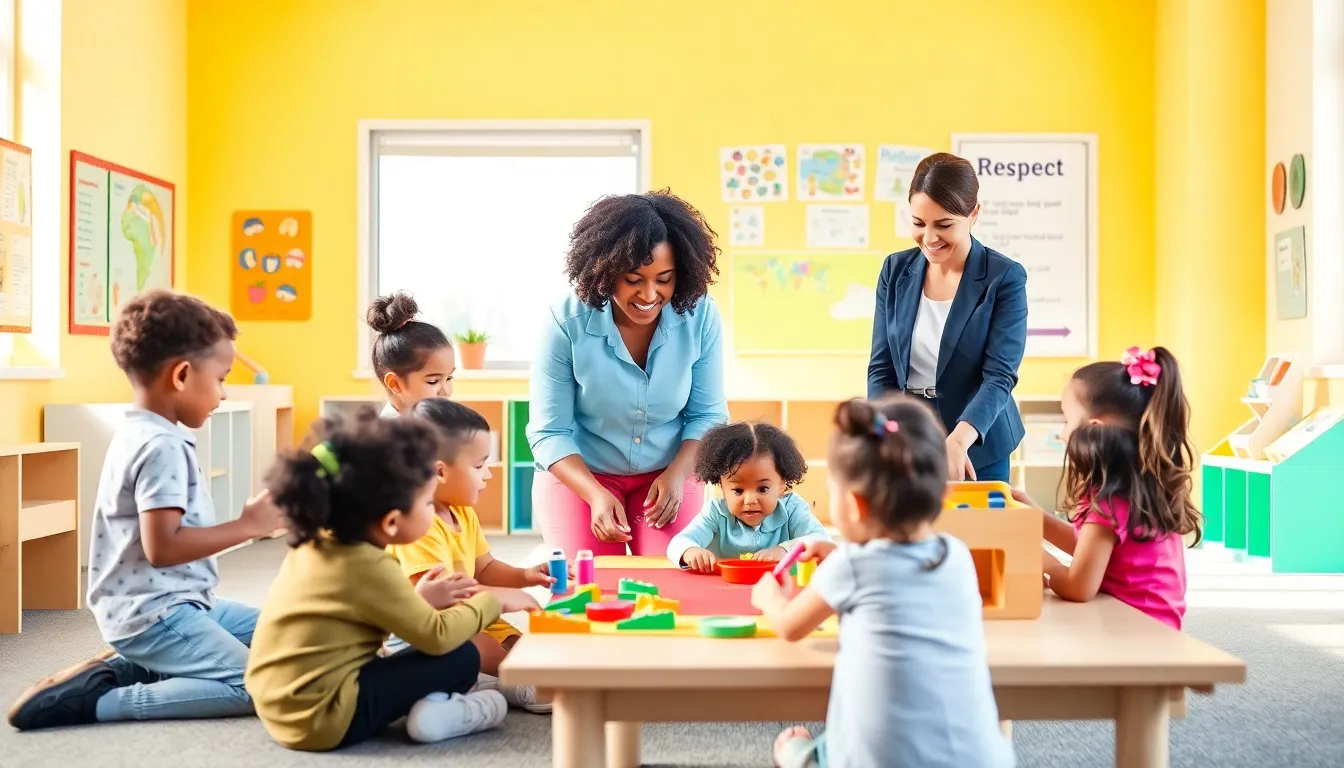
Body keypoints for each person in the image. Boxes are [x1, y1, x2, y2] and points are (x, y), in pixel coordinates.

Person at [7, 290, 286, 730]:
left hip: (185, 604)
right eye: (221, 378)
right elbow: (163, 547)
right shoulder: (161, 446)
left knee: (287, 637)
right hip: (153, 615)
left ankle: (131, 665)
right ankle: (100, 700)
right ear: (181, 375)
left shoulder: (144, 431)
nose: (224, 393)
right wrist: (247, 526)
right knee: (256, 686)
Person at [244, 409, 538, 751]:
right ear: (392, 522)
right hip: (326, 720)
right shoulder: (371, 566)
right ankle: (451, 713)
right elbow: (436, 637)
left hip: (280, 709)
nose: (433, 509)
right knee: (461, 657)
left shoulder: (319, 546)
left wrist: (421, 599)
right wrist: (495, 601)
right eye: (428, 502)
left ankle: (431, 706)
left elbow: (361, 612)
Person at [752, 396, 1014, 768]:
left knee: (808, 746)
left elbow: (790, 626)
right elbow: (893, 573)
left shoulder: (853, 565)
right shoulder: (957, 555)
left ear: (855, 505)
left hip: (879, 761)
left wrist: (769, 598)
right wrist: (837, 556)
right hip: (983, 759)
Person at [527, 190, 729, 556]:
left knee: (669, 578)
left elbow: (708, 415)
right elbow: (549, 431)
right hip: (583, 474)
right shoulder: (565, 321)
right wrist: (594, 494)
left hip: (669, 470)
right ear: (606, 271)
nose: (649, 294)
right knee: (588, 586)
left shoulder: (700, 316)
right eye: (634, 279)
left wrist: (678, 475)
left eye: (664, 279)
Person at [867, 152, 1028, 483]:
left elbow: (999, 376)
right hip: (908, 436)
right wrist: (884, 433)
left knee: (981, 534)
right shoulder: (895, 271)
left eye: (944, 225)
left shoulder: (1004, 278)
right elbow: (881, 367)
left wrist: (959, 439)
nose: (929, 238)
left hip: (976, 441)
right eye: (918, 223)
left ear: (973, 214)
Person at [386, 398, 555, 712]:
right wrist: (503, 597)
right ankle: (503, 681)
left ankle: (501, 676)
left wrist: (526, 576)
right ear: (440, 471)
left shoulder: (462, 513)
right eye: (479, 466)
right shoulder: (416, 526)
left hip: (472, 619)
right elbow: (445, 598)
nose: (488, 475)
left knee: (527, 645)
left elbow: (485, 568)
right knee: (486, 648)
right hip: (427, 629)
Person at [1018, 346, 1200, 630]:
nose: (1061, 433)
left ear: (1093, 428)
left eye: (1066, 421)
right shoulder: (1134, 489)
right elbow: (1093, 549)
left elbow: (1079, 588)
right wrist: (1036, 520)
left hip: (1137, 635)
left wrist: (1044, 561)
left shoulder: (1110, 502)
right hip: (1151, 625)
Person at [667, 421, 829, 572]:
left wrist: (784, 550)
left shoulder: (792, 508)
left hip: (775, 590)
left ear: (782, 484)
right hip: (723, 591)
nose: (750, 500)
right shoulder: (716, 513)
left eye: (763, 488)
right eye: (738, 490)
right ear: (721, 486)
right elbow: (677, 543)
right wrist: (690, 551)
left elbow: (822, 540)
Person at [366, 291, 455, 417]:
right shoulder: (391, 434)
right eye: (433, 381)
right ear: (394, 384)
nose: (446, 391)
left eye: (449, 378)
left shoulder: (430, 420)